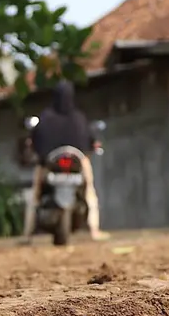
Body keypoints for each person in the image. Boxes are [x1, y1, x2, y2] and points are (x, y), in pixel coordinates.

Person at [23, 81, 107, 242]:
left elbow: (35, 141)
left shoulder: (46, 118)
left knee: (35, 195)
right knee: (89, 193)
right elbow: (90, 141)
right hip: (77, 162)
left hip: (50, 163)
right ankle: (94, 231)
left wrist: (40, 155)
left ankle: (27, 234)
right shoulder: (79, 118)